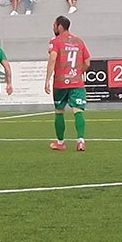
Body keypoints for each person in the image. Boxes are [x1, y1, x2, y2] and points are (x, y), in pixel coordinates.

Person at [45, 15, 91, 152]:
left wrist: (47, 80)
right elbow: (87, 62)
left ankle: (60, 143)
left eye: (54, 25)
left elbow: (52, 59)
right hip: (77, 82)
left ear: (59, 26)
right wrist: (77, 73)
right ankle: (81, 141)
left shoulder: (55, 41)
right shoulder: (79, 41)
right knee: (78, 110)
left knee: (59, 111)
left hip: (60, 82)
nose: (53, 28)